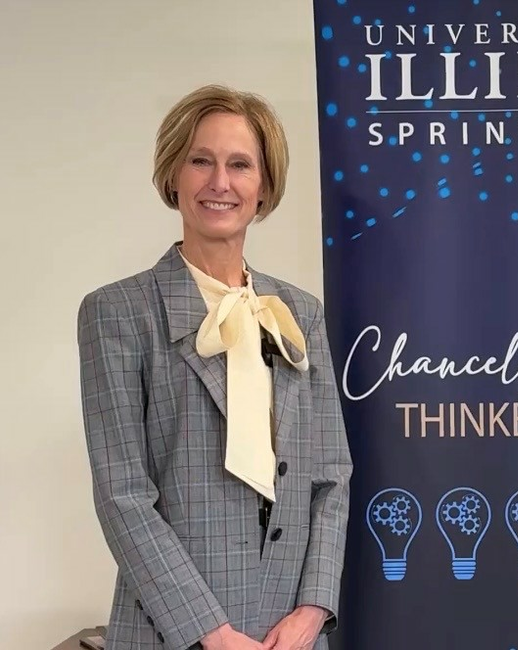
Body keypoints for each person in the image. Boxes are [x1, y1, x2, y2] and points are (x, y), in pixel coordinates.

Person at [77, 84, 354, 650]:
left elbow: (331, 475)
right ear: (173, 176)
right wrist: (212, 632)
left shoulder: (300, 313)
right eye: (201, 160)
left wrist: (313, 609)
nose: (220, 182)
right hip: (171, 631)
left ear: (264, 185)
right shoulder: (118, 312)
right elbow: (122, 494)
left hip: (290, 634)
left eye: (240, 165)